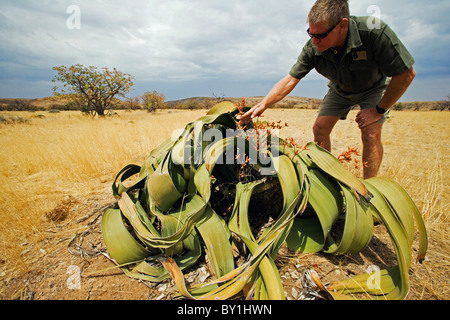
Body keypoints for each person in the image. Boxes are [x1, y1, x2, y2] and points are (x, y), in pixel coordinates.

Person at [240, 0, 416, 179]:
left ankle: (370, 189)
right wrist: (263, 104)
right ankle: (327, 178)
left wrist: (379, 110)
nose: (314, 41)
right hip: (339, 89)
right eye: (310, 33)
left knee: (370, 132)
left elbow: (406, 74)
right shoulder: (313, 47)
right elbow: (291, 79)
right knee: (320, 128)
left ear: (342, 25)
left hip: (373, 88)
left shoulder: (374, 33)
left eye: (321, 35)